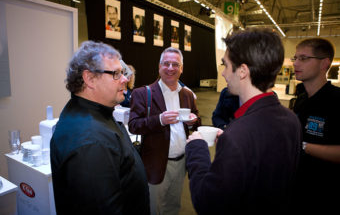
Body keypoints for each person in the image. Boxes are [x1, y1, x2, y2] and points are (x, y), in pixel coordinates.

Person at [185, 28, 302, 214]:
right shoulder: (291, 119)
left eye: (225, 65)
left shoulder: (238, 133)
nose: (223, 74)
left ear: (242, 71)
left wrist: (196, 149)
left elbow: (207, 203)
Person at [50, 41, 149, 214]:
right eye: (116, 73)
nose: (126, 79)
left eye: (123, 72)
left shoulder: (91, 114)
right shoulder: (90, 142)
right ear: (90, 79)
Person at [128, 47, 201, 215]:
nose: (170, 68)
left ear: (181, 69)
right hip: (155, 163)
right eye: (166, 63)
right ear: (159, 66)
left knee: (173, 206)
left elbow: (196, 120)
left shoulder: (188, 95)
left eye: (175, 64)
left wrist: (192, 122)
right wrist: (160, 120)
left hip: (181, 162)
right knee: (154, 208)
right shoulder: (142, 93)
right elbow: (134, 125)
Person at [291, 38, 340, 213]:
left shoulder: (336, 101)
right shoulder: (301, 100)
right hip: (298, 188)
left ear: (324, 63)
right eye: (295, 58)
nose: (296, 63)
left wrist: (302, 146)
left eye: (303, 58)